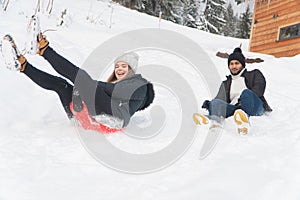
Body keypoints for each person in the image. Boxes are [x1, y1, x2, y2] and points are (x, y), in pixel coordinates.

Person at [1, 34, 155, 130]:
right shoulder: (126, 92)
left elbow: (112, 91)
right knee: (61, 86)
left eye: (125, 67)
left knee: (81, 78)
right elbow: (108, 91)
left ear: (133, 70)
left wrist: (86, 85)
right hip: (90, 120)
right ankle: (22, 65)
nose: (119, 70)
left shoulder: (141, 85)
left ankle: (44, 49)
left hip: (113, 118)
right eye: (118, 66)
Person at [194, 47, 272, 134]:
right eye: (231, 64)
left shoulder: (254, 74)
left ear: (242, 64)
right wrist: (210, 105)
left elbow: (259, 89)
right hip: (234, 109)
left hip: (254, 105)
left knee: (246, 93)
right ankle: (214, 122)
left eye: (237, 63)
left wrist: (242, 100)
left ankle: (244, 120)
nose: (234, 66)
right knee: (215, 102)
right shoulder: (226, 83)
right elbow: (220, 99)